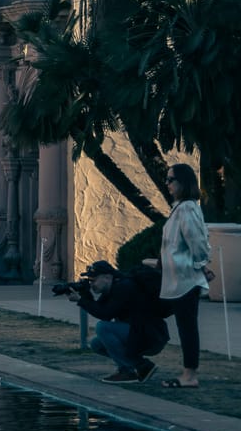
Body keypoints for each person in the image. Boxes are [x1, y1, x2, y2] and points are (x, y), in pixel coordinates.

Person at [151, 163, 214, 389]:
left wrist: (202, 266)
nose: (167, 184)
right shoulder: (180, 208)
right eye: (167, 180)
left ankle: (190, 375)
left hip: (185, 279)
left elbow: (196, 240)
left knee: (187, 327)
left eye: (171, 180)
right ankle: (187, 372)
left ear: (183, 182)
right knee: (184, 326)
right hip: (176, 279)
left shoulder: (187, 208)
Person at [69, 259, 168, 382]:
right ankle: (142, 365)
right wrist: (85, 296)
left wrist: (81, 300)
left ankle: (127, 371)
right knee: (96, 344)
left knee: (103, 327)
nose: (91, 284)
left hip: (150, 336)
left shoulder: (124, 287)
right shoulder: (113, 287)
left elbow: (105, 314)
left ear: (106, 277)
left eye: (93, 280)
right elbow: (100, 309)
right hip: (139, 334)